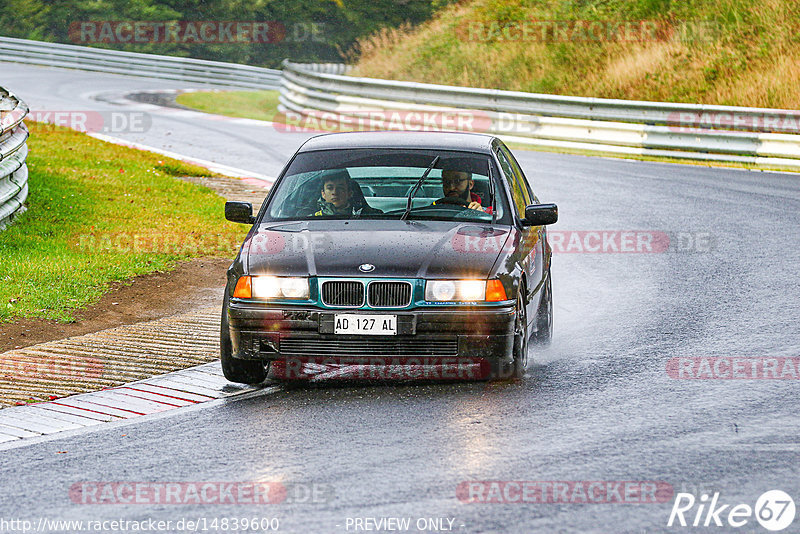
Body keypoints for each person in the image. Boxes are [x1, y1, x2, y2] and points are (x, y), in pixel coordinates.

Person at [313, 169, 382, 217]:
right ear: (323, 194)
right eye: (330, 188)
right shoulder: (312, 220)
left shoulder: (370, 217)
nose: (334, 192)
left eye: (340, 188)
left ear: (349, 193)